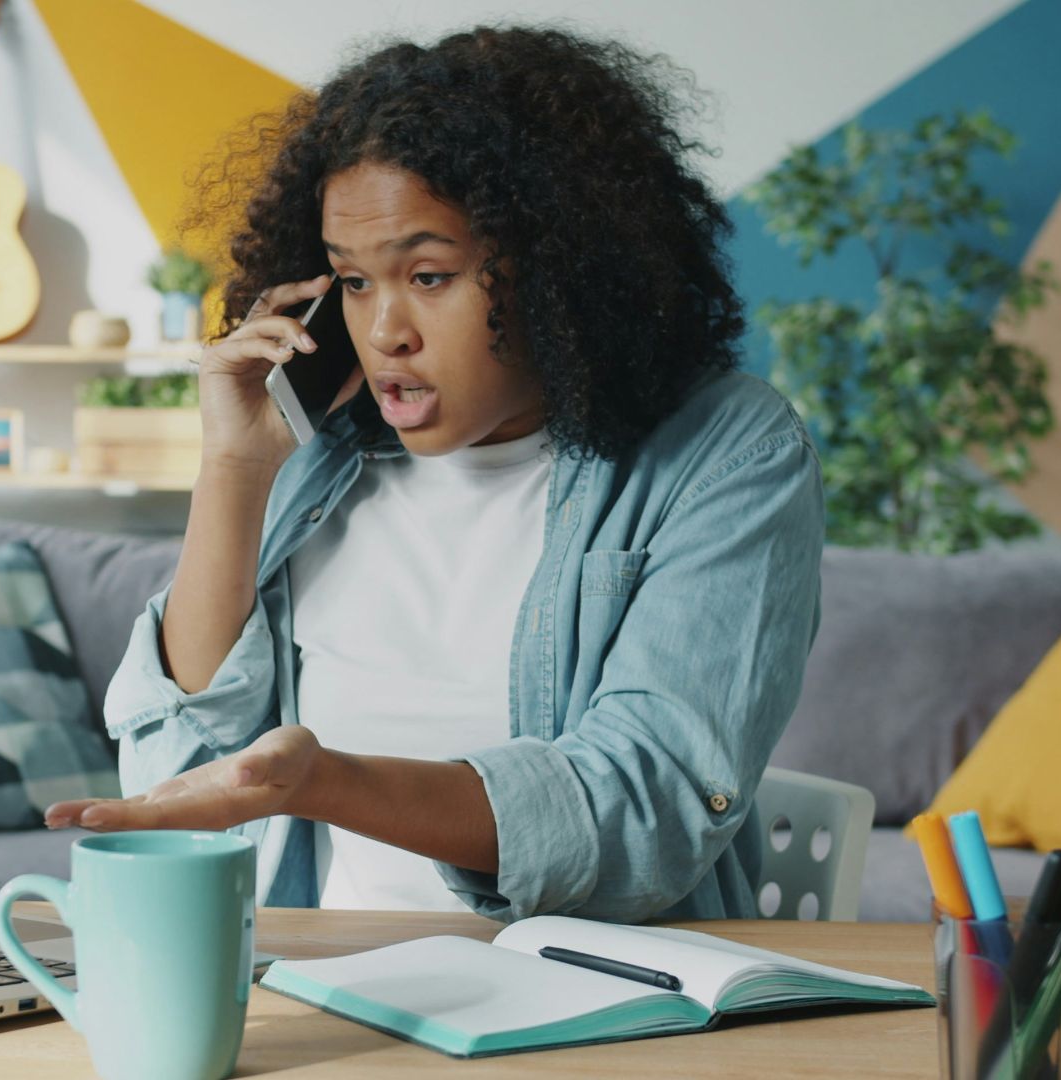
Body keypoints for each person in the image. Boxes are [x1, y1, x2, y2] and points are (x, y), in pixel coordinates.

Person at [44, 26, 825, 923]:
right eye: (355, 282)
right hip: (333, 1000)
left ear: (557, 266)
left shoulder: (726, 451)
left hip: (587, 1014)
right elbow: (171, 785)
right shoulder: (323, 459)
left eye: (428, 274)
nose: (385, 334)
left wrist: (325, 783)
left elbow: (646, 813)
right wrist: (235, 465)